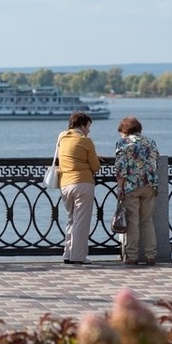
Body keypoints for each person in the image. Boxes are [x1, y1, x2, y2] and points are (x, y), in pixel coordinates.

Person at [114, 116, 160, 266]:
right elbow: (156, 161)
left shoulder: (123, 143)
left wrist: (120, 187)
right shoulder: (150, 142)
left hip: (131, 186)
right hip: (150, 186)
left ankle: (132, 256)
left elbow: (121, 168)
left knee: (133, 221)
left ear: (125, 131)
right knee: (147, 221)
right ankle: (151, 255)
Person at [57, 111, 101, 265]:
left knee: (71, 220)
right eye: (88, 127)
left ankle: (68, 254)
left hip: (65, 184)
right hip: (82, 183)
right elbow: (95, 167)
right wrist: (95, 158)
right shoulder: (86, 141)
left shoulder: (62, 137)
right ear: (82, 125)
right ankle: (79, 256)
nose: (89, 130)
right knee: (81, 221)